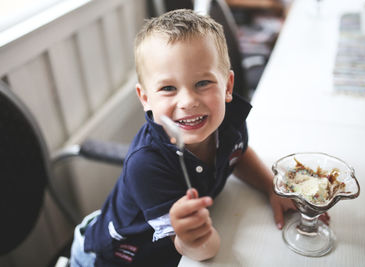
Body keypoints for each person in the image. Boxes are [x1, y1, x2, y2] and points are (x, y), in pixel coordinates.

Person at [70, 9, 308, 266]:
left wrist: (271, 186)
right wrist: (195, 238)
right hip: (112, 256)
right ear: (145, 98)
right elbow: (196, 250)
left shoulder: (230, 120)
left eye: (203, 83)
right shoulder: (146, 165)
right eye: (168, 88)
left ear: (227, 86)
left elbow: (237, 154)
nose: (187, 101)